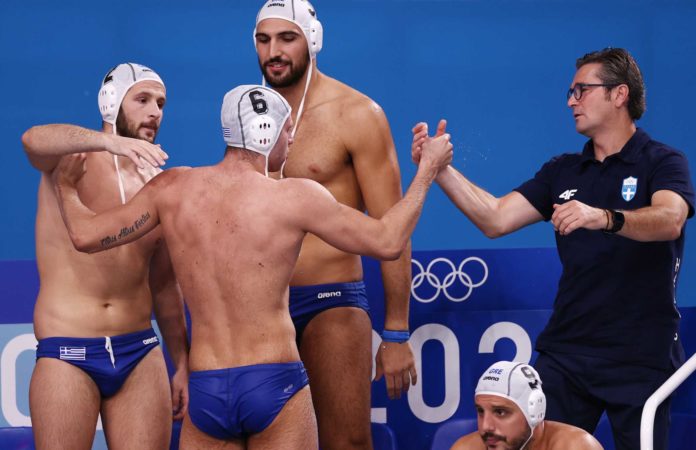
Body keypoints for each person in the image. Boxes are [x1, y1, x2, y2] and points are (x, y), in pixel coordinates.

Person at [51, 85, 453, 449]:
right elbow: (387, 240)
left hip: (207, 388)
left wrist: (67, 189)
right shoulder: (295, 197)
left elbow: (86, 236)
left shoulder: (172, 189)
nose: (291, 139)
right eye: (287, 130)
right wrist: (427, 171)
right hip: (274, 382)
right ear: (266, 132)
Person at [412, 48, 695, 450]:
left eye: (582, 90)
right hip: (567, 352)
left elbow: (670, 220)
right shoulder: (563, 170)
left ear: (619, 94)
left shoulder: (663, 161)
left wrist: (604, 217)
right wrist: (439, 170)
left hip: (642, 355)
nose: (570, 101)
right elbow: (494, 218)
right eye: (570, 92)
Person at [252, 2, 416, 446]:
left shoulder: (356, 114)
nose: (273, 52)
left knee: (346, 442)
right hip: (262, 306)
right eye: (264, 40)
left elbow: (392, 227)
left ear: (313, 40)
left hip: (332, 299)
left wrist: (396, 331)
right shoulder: (247, 117)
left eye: (287, 38)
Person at [22, 62, 189, 450]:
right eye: (142, 100)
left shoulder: (157, 183)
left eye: (161, 103)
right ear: (111, 102)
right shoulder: (69, 162)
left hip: (139, 351)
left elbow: (165, 285)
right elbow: (32, 139)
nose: (155, 112)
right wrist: (107, 142)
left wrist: (182, 362)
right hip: (69, 350)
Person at [451, 361, 603, 450]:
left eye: (500, 412)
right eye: (480, 411)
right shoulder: (466, 448)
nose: (486, 427)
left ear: (534, 412)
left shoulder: (575, 446)